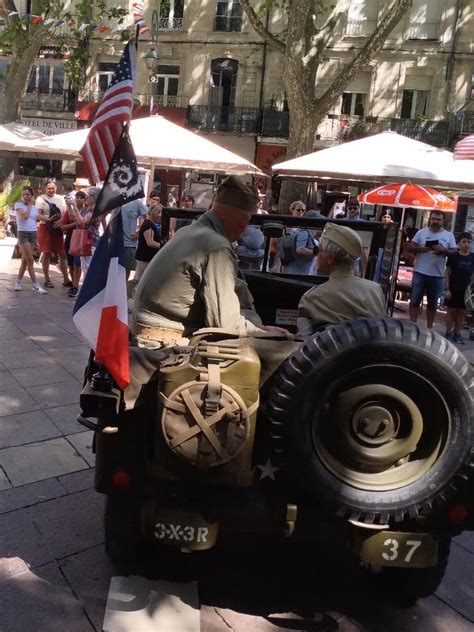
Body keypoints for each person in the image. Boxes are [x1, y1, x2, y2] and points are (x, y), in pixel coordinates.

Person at [133, 176, 283, 346]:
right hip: (166, 343)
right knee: (280, 350)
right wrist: (265, 333)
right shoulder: (216, 247)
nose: (245, 228)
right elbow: (227, 325)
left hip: (150, 331)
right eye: (247, 220)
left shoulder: (188, 232)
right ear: (237, 216)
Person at [297, 223, 385, 336]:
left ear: (330, 258)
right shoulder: (375, 290)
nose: (316, 255)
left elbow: (303, 343)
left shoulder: (311, 298)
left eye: (318, 250)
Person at [406, 210, 457, 329]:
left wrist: (443, 250)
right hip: (420, 272)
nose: (435, 221)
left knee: (432, 304)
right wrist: (421, 249)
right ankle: (413, 327)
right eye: (433, 219)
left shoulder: (449, 235)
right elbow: (409, 247)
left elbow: (455, 253)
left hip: (437, 275)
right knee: (414, 301)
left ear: (443, 221)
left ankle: (429, 328)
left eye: (438, 219)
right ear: (430, 219)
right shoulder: (421, 232)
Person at [36, 178, 70, 288]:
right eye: (49, 188)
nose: (51, 190)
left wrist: (60, 222)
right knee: (46, 253)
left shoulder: (61, 198)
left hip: (58, 228)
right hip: (45, 227)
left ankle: (66, 278)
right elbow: (38, 215)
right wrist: (49, 220)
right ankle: (47, 279)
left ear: (56, 188)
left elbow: (65, 213)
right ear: (45, 188)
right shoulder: (40, 199)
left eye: (53, 188)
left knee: (62, 253)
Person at [13, 186, 47, 294]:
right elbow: (25, 216)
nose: (25, 196)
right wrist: (31, 204)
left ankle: (18, 282)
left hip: (33, 234)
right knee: (30, 260)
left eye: (28, 194)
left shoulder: (34, 208)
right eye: (24, 194)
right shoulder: (18, 205)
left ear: (32, 195)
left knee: (25, 260)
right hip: (23, 234)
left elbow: (39, 217)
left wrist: (51, 220)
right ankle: (35, 284)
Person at [444, 232, 474, 344]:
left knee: (462, 312)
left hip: (466, 291)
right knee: (451, 311)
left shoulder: (472, 257)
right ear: (459, 243)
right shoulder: (453, 256)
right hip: (453, 288)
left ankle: (457, 333)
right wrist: (447, 288)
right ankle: (448, 332)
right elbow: (447, 272)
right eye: (464, 242)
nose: (467, 244)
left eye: (469, 242)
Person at [281, 201, 318, 275]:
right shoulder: (287, 225)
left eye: (303, 210)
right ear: (292, 210)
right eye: (298, 210)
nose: (300, 212)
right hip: (290, 262)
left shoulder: (302, 226)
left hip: (298, 263)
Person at [62, 190, 86, 298]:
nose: (79, 199)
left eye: (81, 197)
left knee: (78, 262)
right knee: (71, 262)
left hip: (82, 237)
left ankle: (76, 285)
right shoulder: (72, 209)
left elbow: (79, 221)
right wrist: (69, 205)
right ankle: (74, 283)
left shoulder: (86, 211)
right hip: (73, 237)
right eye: (77, 197)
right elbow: (72, 218)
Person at [134, 204, 163, 283]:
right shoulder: (148, 224)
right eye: (159, 213)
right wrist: (163, 246)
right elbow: (150, 243)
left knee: (137, 279)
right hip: (146, 258)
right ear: (154, 213)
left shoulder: (149, 224)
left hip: (142, 257)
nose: (161, 216)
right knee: (151, 280)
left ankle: (132, 294)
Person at [121, 198, 148, 280]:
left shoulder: (137, 203)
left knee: (126, 270)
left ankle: (124, 290)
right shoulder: (118, 201)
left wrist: (139, 232)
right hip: (116, 242)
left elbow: (148, 217)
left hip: (129, 243)